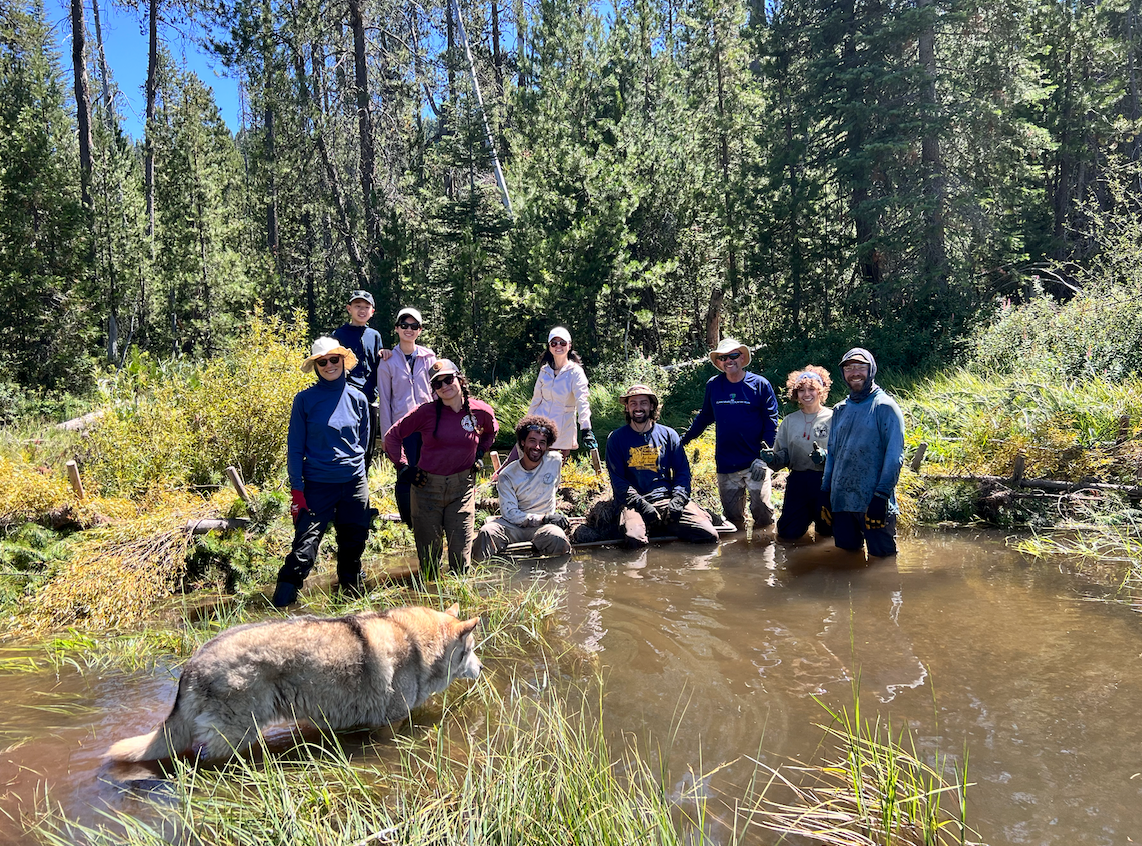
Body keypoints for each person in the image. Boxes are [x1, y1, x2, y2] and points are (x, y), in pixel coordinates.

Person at [272, 337, 372, 607]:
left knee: (353, 548)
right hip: (317, 486)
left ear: (343, 361)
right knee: (304, 551)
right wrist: (297, 490)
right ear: (316, 366)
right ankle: (279, 610)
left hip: (354, 485)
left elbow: (363, 443)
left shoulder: (359, 399)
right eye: (322, 361)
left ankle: (349, 609)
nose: (329, 365)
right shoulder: (304, 400)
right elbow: (295, 448)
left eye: (333, 360)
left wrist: (360, 476)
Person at [383, 359, 498, 576]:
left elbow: (491, 431)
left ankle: (459, 604)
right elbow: (392, 437)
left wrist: (480, 453)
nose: (444, 386)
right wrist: (404, 467)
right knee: (429, 562)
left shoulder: (480, 411)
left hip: (462, 490)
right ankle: (429, 602)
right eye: (437, 384)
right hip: (426, 489)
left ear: (460, 380)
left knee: (460, 559)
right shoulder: (424, 413)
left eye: (448, 379)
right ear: (434, 389)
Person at [679, 338, 780, 533]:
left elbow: (771, 424)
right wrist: (683, 440)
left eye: (733, 355)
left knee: (764, 515)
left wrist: (764, 458)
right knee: (733, 520)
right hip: (726, 464)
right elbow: (705, 417)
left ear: (742, 357)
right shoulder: (714, 385)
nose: (728, 361)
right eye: (723, 357)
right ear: (718, 362)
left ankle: (765, 556)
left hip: (755, 463)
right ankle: (740, 557)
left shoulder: (760, 384)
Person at [605, 384, 720, 547]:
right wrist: (642, 505)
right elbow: (618, 482)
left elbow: (682, 472)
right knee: (634, 539)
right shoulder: (615, 439)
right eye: (633, 404)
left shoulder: (669, 435)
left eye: (643, 403)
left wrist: (678, 500)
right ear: (627, 408)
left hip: (666, 499)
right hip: (633, 504)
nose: (638, 408)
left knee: (708, 535)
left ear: (652, 406)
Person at [820, 348, 905, 557]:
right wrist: (825, 493)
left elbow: (894, 458)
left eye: (860, 367)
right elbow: (832, 455)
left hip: (873, 503)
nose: (854, 372)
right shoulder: (840, 410)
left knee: (883, 568)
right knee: (846, 565)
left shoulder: (885, 406)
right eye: (849, 368)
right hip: (841, 503)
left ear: (872, 370)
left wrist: (881, 497)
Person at [474, 415, 572, 559]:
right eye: (532, 441)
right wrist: (544, 518)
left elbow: (555, 486)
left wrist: (548, 519)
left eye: (542, 443)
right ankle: (477, 574)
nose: (537, 447)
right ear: (522, 442)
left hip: (543, 528)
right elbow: (511, 514)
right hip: (512, 526)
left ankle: (556, 578)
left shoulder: (555, 461)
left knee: (558, 537)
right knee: (487, 532)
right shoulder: (507, 475)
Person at [375, 306, 437, 525]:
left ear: (419, 330)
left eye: (413, 326)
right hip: (401, 428)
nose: (408, 330)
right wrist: (386, 434)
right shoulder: (387, 361)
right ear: (397, 329)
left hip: (428, 425)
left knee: (428, 471)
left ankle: (428, 518)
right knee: (404, 472)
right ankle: (409, 521)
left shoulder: (429, 357)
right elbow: (385, 399)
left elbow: (436, 392)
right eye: (404, 325)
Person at [502, 326, 596, 468]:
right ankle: (499, 482)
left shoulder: (575, 372)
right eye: (554, 343)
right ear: (549, 346)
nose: (558, 346)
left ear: (569, 346)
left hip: (562, 430)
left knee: (550, 472)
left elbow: (582, 401)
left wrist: (586, 428)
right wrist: (526, 425)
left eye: (562, 343)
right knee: (519, 462)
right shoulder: (545, 371)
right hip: (539, 427)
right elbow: (536, 401)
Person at [761, 365, 834, 541]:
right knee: (787, 534)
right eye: (801, 390)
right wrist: (773, 458)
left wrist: (826, 456)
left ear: (821, 391)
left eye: (811, 389)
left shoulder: (833, 418)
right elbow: (782, 457)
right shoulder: (789, 421)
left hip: (826, 483)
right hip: (798, 482)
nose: (806, 394)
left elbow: (844, 453)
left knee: (828, 533)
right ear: (796, 393)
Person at [332, 290, 391, 471]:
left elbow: (378, 363)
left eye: (366, 307)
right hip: (345, 399)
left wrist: (386, 353)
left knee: (367, 448)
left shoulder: (374, 335)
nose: (362, 310)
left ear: (372, 311)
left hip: (369, 399)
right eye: (358, 306)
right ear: (349, 309)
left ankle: (361, 488)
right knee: (346, 445)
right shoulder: (338, 334)